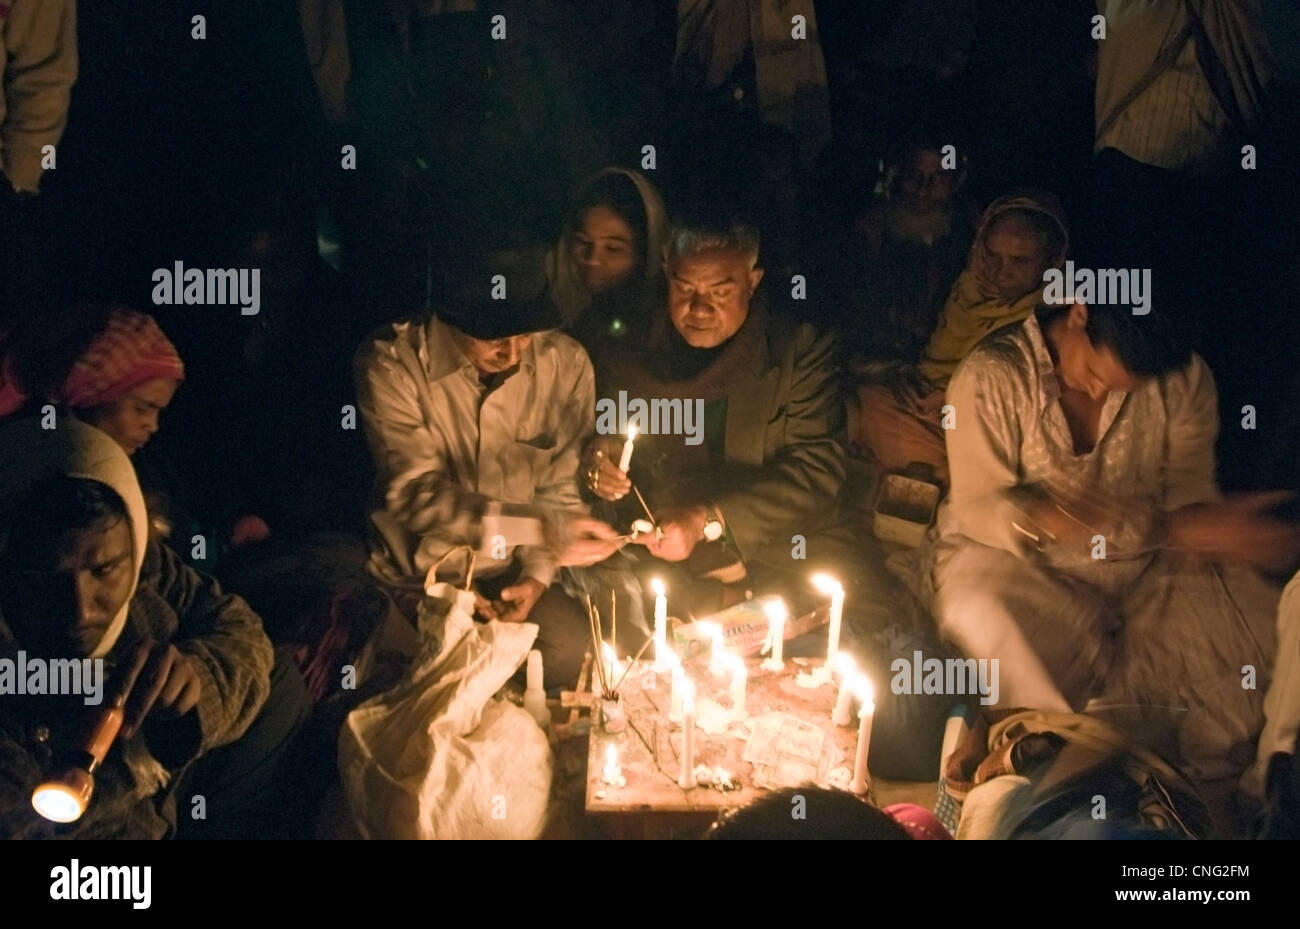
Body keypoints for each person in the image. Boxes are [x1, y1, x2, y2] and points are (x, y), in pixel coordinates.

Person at [582, 209, 954, 779]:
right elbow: (612, 440)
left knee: (886, 719)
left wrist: (708, 521)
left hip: (787, 547)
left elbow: (816, 472)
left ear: (753, 281)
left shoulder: (799, 347)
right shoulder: (632, 344)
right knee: (641, 680)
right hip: (669, 559)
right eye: (684, 288)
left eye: (720, 290)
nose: (698, 308)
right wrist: (602, 465)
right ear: (664, 271)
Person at [924, 298, 1298, 784]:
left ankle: (1051, 741)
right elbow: (976, 507)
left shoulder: (1181, 377)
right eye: (1095, 373)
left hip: (1144, 571)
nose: (1100, 390)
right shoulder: (992, 378)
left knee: (1255, 637)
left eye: (1122, 387)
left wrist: (1216, 528)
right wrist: (1045, 515)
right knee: (985, 610)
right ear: (1079, 312)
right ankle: (1023, 730)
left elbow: (1187, 493)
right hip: (1026, 570)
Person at [0, 417, 310, 839]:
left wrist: (196, 683)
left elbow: (236, 624)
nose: (81, 611)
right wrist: (136, 758)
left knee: (279, 681)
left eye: (105, 570)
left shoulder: (143, 559)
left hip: (166, 793)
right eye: (42, 577)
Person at [354, 223, 623, 690]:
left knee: (575, 659)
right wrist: (541, 527)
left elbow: (559, 488)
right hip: (416, 582)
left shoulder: (565, 364)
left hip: (509, 574)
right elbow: (416, 494)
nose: (513, 351)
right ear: (449, 315)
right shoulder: (391, 364)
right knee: (417, 695)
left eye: (526, 333)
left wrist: (538, 576)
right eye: (493, 335)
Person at [853, 191, 1068, 485]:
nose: (1000, 271)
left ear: (1048, 261)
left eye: (1019, 261)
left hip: (974, 425)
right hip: (922, 405)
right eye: (992, 255)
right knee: (859, 403)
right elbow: (930, 361)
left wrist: (954, 400)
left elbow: (1033, 411)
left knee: (966, 465)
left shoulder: (1052, 318)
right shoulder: (967, 288)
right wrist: (911, 381)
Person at [845, 137, 975, 363]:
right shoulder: (867, 235)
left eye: (939, 178)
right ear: (897, 175)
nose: (923, 190)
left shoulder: (975, 237)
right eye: (915, 176)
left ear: (957, 181)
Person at [548, 167, 669, 371]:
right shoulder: (541, 312)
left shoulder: (666, 330)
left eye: (613, 249)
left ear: (644, 253)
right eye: (583, 242)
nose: (592, 260)